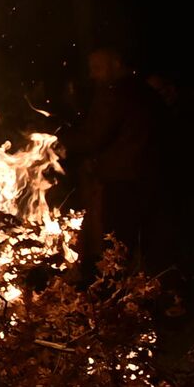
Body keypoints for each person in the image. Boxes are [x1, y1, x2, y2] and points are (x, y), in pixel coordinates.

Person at [64, 47, 165, 274]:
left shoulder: (113, 93)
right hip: (150, 179)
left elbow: (93, 137)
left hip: (121, 182)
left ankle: (113, 298)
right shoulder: (147, 92)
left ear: (116, 63)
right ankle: (143, 294)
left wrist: (54, 140)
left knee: (115, 246)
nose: (93, 75)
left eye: (97, 68)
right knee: (141, 245)